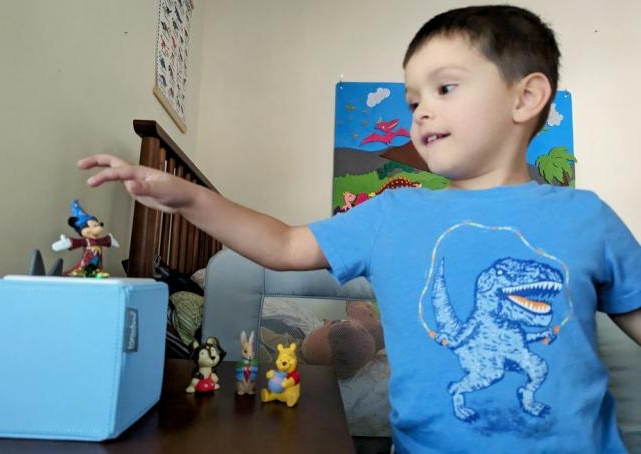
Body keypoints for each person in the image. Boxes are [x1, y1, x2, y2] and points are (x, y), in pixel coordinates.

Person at [78, 5, 641, 452]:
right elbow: (282, 243)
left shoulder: (586, 216)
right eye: (413, 98)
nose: (419, 112)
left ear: (526, 97)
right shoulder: (391, 214)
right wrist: (190, 198)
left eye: (444, 89)